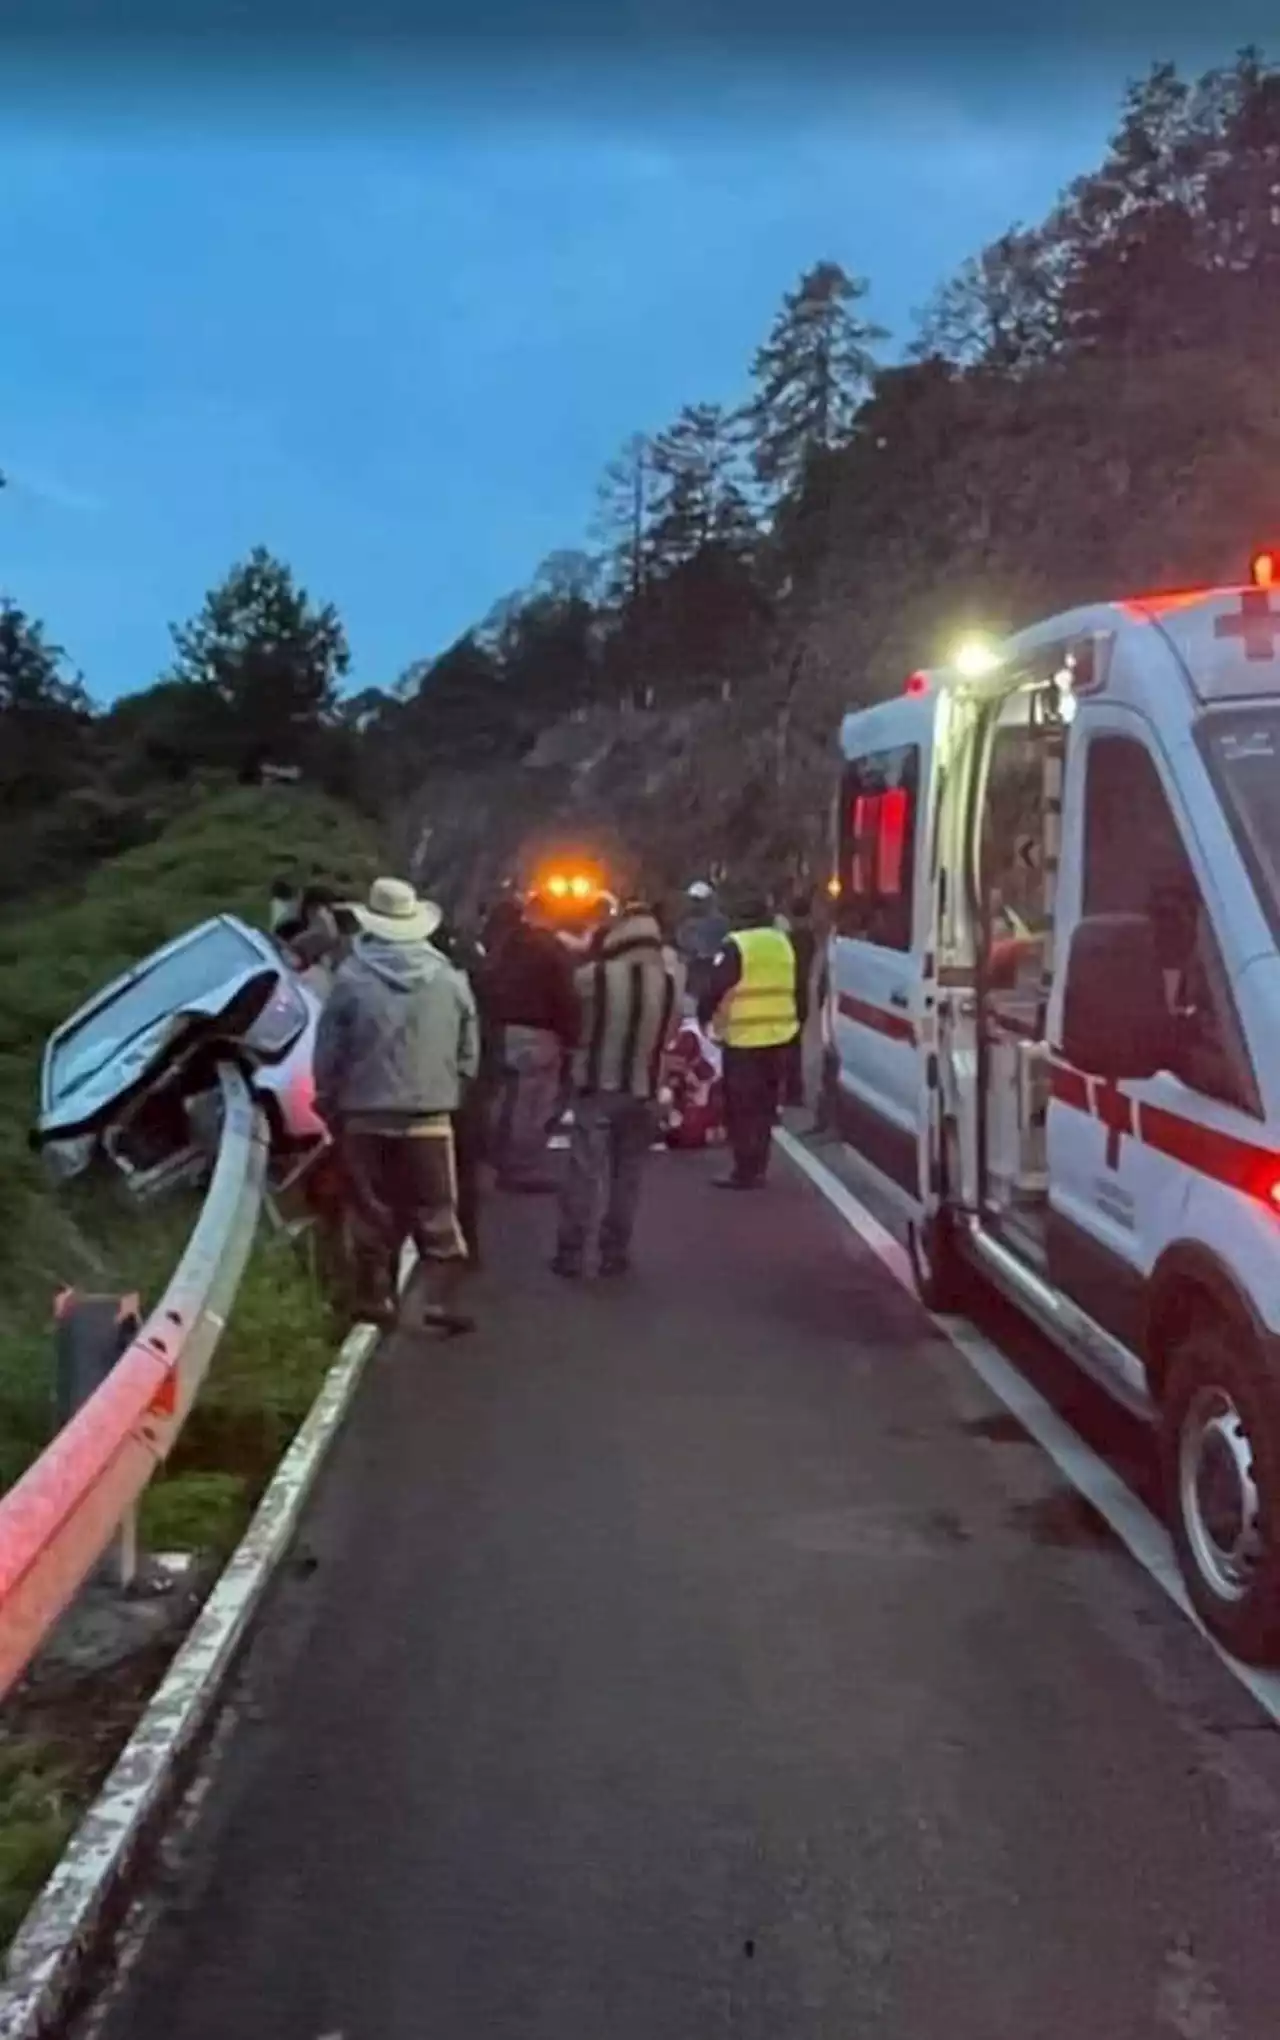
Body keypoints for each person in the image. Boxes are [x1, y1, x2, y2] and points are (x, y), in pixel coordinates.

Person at [313, 876, 478, 1334]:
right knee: (437, 1208)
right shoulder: (449, 979)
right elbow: (469, 1050)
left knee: (371, 1209)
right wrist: (453, 1091)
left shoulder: (350, 980)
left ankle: (376, 1296)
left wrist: (329, 1101)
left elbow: (328, 1054)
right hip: (430, 1114)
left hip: (364, 1113)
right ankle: (439, 1302)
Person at [551, 900, 677, 1278]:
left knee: (585, 1171)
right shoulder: (667, 984)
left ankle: (572, 1253)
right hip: (644, 1088)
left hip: (597, 1085)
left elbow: (570, 1017)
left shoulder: (593, 977)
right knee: (629, 1175)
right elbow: (668, 1034)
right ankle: (615, 1251)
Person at [697, 895, 800, 1190]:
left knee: (742, 1107)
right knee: (766, 1106)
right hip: (780, 1033)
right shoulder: (782, 942)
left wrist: (705, 1016)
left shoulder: (737, 945)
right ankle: (760, 1166)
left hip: (744, 1038)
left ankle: (744, 1169)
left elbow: (717, 985)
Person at [481, 896, 579, 1193]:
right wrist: (572, 1037)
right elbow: (565, 995)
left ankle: (493, 1160)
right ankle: (521, 1168)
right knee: (532, 1102)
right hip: (540, 1033)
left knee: (504, 1098)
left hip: (502, 1030)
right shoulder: (550, 949)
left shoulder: (506, 946)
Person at [430, 910, 493, 1267]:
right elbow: (479, 1042)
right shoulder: (471, 980)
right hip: (463, 1089)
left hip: (426, 1091)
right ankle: (464, 1243)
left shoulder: (431, 983)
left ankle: (434, 1251)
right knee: (464, 1173)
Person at [783, 892, 818, 1108]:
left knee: (789, 1045)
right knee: (795, 1044)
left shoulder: (790, 940)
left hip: (789, 993)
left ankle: (791, 1091)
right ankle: (794, 1090)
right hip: (802, 994)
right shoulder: (810, 939)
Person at [674, 880, 730, 1011]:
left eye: (697, 900)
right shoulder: (685, 924)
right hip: (695, 984)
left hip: (707, 983)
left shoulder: (717, 923)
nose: (694, 905)